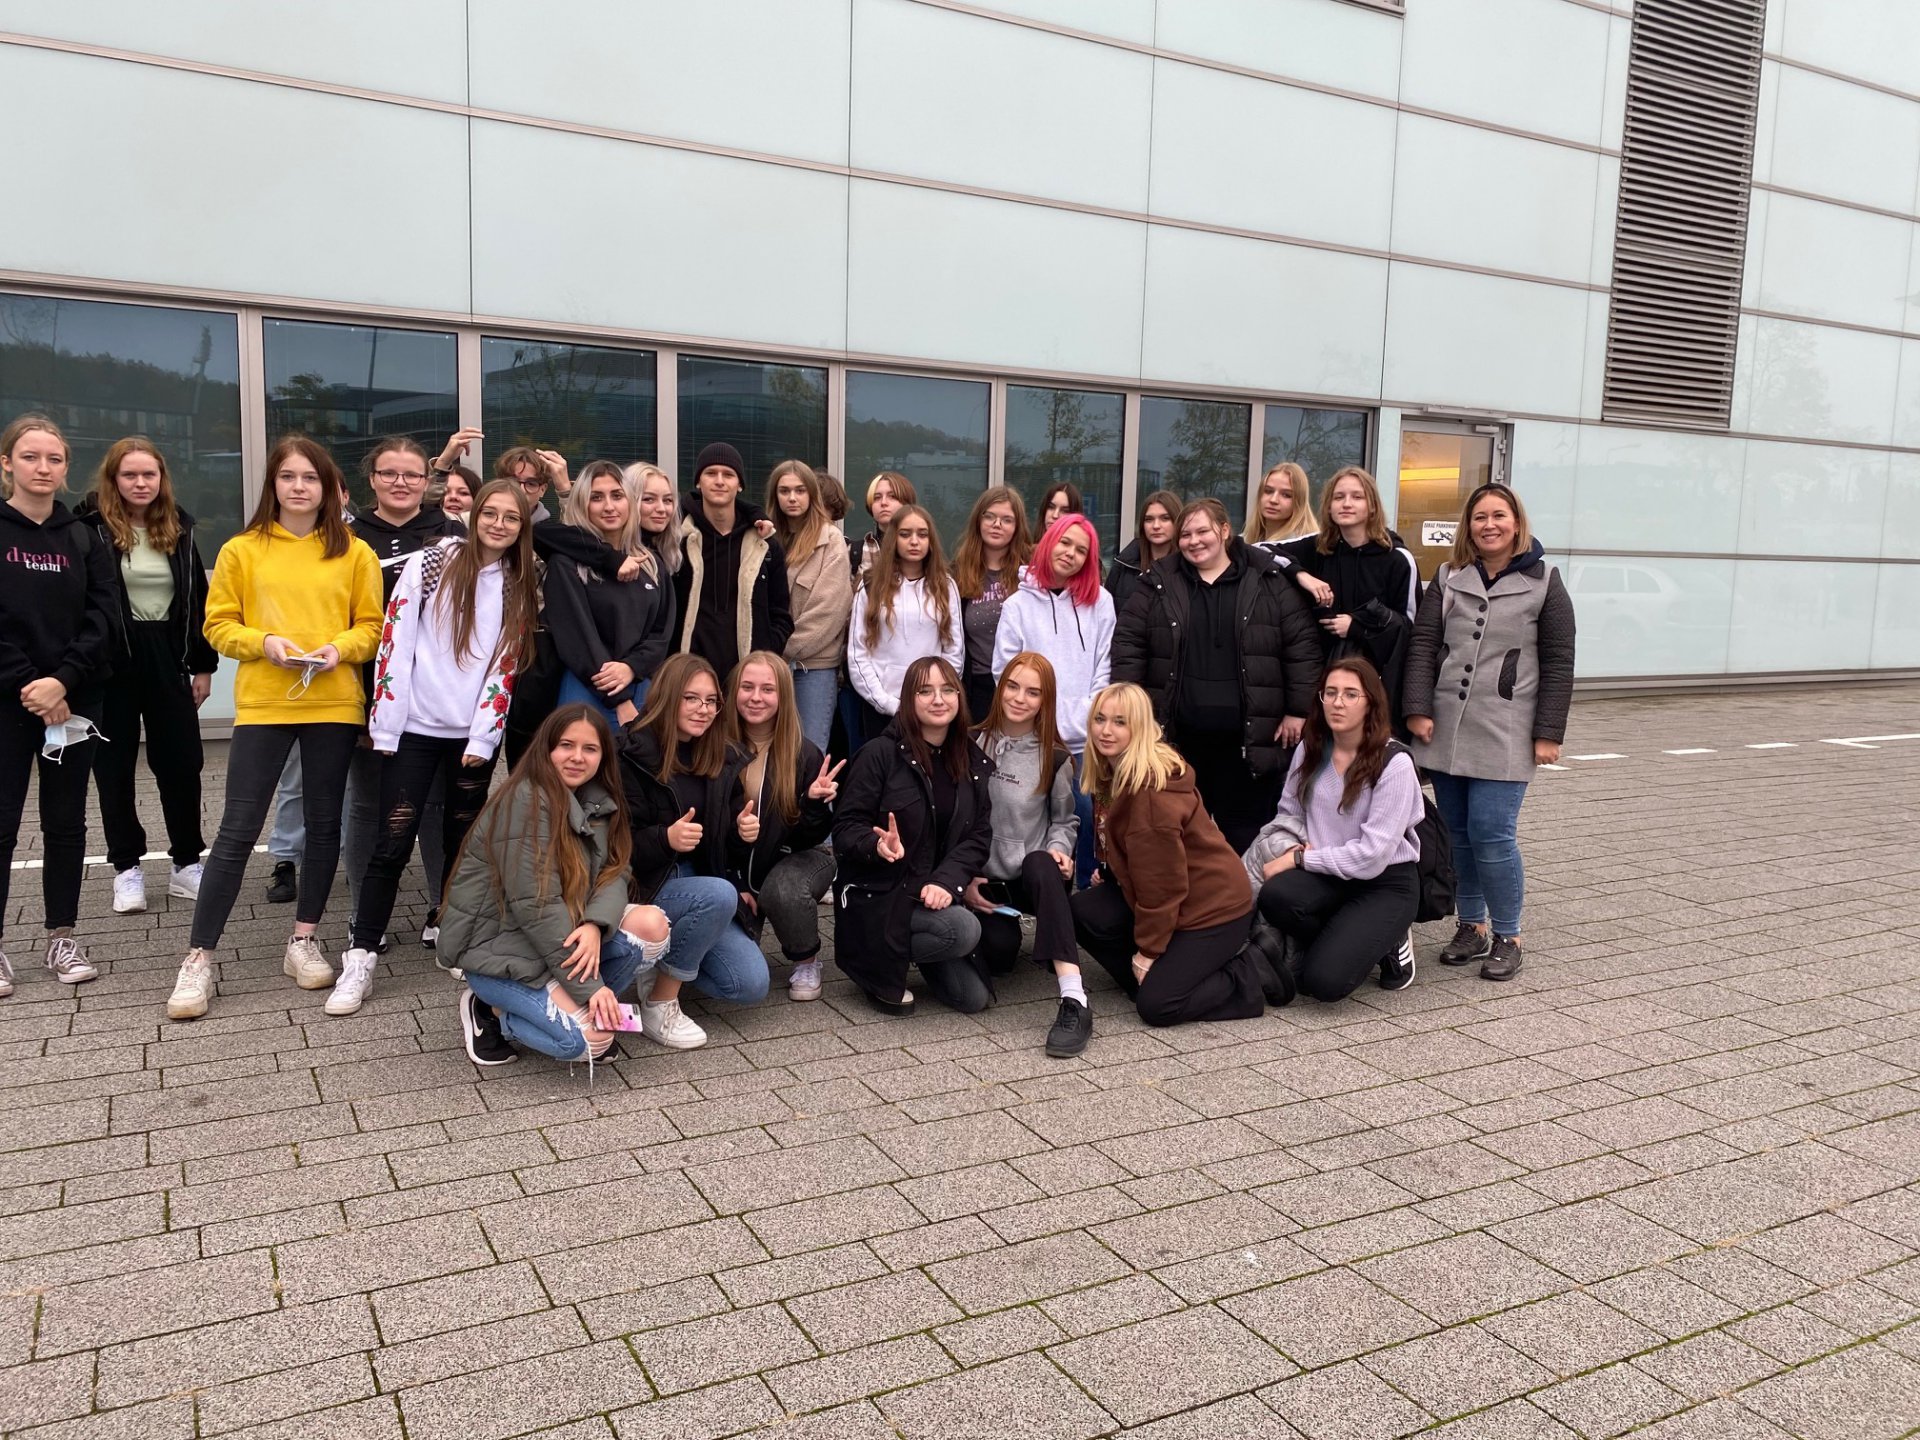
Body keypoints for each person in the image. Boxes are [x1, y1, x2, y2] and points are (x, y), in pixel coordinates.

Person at [167, 436, 383, 1021]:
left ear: (329, 488)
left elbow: (371, 627)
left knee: (323, 826)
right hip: (265, 702)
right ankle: (199, 957)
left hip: (333, 702)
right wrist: (263, 643)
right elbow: (218, 625)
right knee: (238, 830)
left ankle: (303, 939)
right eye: (288, 476)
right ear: (273, 484)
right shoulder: (242, 549)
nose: (299, 487)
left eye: (311, 477)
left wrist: (338, 649)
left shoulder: (355, 552)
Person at [329, 480, 541, 1015]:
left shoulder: (519, 581)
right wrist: (386, 725)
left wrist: (484, 736)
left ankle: (453, 933)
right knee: (392, 841)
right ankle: (361, 954)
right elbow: (394, 644)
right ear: (473, 514)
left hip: (471, 736)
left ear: (522, 527)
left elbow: (506, 666)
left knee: (461, 843)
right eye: (490, 513)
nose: (498, 524)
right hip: (415, 730)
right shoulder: (431, 563)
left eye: (511, 518)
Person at [1404, 483, 1574, 983]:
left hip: (1507, 729)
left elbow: (1560, 661)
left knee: (1492, 833)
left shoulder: (1545, 582)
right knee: (1458, 835)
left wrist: (1548, 732)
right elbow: (1424, 644)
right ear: (1469, 526)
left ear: (1516, 523)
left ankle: (1508, 935)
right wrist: (1417, 708)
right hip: (1446, 727)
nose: (1489, 525)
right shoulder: (1448, 577)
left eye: (1499, 515)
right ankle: (1471, 926)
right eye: (1480, 517)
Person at [439, 705, 672, 1069]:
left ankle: (572, 1000)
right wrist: (592, 989)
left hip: (555, 939)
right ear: (546, 749)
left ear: (603, 756)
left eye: (590, 748)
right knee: (590, 1043)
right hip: (500, 951)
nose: (577, 757)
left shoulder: (597, 798)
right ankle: (490, 1009)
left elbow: (616, 870)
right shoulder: (525, 800)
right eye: (566, 745)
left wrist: (595, 924)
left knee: (652, 926)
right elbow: (538, 908)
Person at [1111, 498, 1322, 852]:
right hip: (1176, 742)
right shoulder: (1158, 583)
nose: (1194, 541)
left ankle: (1243, 890)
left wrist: (1298, 710)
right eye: (1185, 535)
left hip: (1248, 744)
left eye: (1202, 531)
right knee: (1176, 841)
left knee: (1247, 840)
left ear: (1224, 531)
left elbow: (1301, 647)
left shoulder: (1268, 581)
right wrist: (1130, 715)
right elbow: (1128, 645)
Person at [1071, 683, 1287, 1027]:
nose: (1106, 731)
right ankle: (1161, 978)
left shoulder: (1149, 794)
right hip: (1181, 899)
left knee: (1158, 1007)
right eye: (1100, 719)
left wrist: (1149, 951)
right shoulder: (1115, 771)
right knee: (1082, 910)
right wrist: (1114, 873)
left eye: (1120, 722)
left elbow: (1162, 885)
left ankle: (1252, 972)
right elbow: (1141, 854)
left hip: (1213, 909)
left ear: (1139, 728)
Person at [0, 414, 117, 993]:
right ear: (7, 463)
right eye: (30, 457)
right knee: (2, 825)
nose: (42, 468)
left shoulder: (85, 537)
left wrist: (62, 682)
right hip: (8, 701)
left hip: (74, 702)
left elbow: (103, 617)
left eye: (54, 459)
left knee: (66, 823)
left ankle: (61, 936)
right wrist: (32, 685)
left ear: (66, 468)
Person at [78, 436, 217, 916]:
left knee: (182, 764)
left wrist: (204, 665)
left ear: (161, 479)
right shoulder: (89, 529)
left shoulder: (179, 528)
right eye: (130, 474)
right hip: (111, 662)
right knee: (113, 769)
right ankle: (126, 869)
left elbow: (198, 600)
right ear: (113, 479)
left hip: (167, 658)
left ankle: (186, 864)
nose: (140, 482)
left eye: (149, 474)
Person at [340, 437, 461, 942]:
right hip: (366, 691)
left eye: (412, 474)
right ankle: (364, 916)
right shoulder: (345, 535)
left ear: (427, 480)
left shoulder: (451, 534)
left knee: (434, 807)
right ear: (372, 479)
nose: (401, 482)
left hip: (434, 699)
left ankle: (442, 911)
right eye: (389, 473)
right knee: (368, 806)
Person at [619, 653, 771, 1049]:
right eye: (691, 698)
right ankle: (660, 1002)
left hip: (701, 885)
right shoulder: (629, 754)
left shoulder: (720, 754)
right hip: (645, 887)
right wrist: (664, 839)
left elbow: (725, 847)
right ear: (668, 697)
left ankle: (660, 957)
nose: (703, 709)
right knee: (717, 894)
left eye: (711, 701)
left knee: (748, 984)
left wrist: (740, 833)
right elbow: (610, 846)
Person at [1254, 658, 1423, 1002]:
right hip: (1328, 872)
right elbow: (1289, 813)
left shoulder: (1395, 763)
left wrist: (1299, 860)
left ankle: (1390, 937)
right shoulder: (1310, 748)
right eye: (1330, 693)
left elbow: (1372, 856)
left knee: (1323, 984)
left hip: (1383, 880)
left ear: (1370, 703)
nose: (1337, 702)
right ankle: (1345, 934)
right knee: (1275, 897)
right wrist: (1286, 848)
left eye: (1350, 694)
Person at [832, 656, 993, 1016]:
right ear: (908, 699)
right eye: (925, 691)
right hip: (883, 893)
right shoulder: (879, 754)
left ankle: (907, 954)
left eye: (947, 690)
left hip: (931, 893)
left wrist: (946, 881)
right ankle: (872, 960)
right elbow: (845, 827)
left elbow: (979, 835)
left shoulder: (969, 757)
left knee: (973, 999)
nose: (938, 699)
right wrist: (876, 845)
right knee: (963, 929)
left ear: (959, 696)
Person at [969, 654, 1087, 1056]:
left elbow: (1065, 821)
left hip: (1032, 878)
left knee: (1042, 861)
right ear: (1000, 687)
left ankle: (1074, 997)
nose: (1020, 698)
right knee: (999, 958)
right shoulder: (968, 742)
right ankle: (1010, 936)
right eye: (1013, 686)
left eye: (1033, 692)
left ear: (1045, 700)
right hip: (983, 884)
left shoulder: (1055, 757)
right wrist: (963, 878)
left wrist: (1059, 850)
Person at [726, 652, 842, 1001]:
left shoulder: (804, 753)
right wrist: (734, 883)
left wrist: (813, 803)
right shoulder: (714, 747)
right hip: (737, 867)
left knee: (783, 889)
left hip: (798, 857)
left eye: (768, 689)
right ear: (733, 691)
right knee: (740, 977)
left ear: (784, 696)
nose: (756, 697)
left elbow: (811, 836)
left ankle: (806, 960)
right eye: (747, 687)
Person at [546, 460, 675, 729]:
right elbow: (577, 639)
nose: (609, 506)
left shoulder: (651, 563)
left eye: (617, 495)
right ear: (582, 504)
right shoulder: (566, 564)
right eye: (596, 498)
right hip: (588, 687)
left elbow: (661, 633)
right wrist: (618, 698)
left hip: (640, 683)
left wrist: (630, 668)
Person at [1287, 467, 1419, 724]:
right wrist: (1301, 574)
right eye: (1339, 497)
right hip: (1324, 690)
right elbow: (1259, 551)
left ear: (1372, 506)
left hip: (1378, 693)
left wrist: (1357, 627)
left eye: (1357, 497)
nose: (1346, 504)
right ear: (1328, 507)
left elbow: (1409, 630)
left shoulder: (1398, 559)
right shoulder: (1319, 548)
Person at [675, 442, 793, 683]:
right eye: (711, 473)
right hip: (688, 676)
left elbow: (781, 615)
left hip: (747, 679)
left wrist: (765, 654)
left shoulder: (765, 545)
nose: (719, 481)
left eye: (728, 474)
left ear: (739, 485)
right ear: (698, 482)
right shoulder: (678, 541)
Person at [847, 504, 963, 748]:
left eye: (922, 534)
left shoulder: (945, 585)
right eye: (905, 534)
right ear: (893, 539)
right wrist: (886, 703)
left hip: (932, 709)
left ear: (931, 540)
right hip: (882, 710)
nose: (914, 541)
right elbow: (858, 654)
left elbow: (954, 651)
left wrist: (938, 697)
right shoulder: (870, 585)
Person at [766, 459, 851, 752]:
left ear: (812, 494)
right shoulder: (764, 539)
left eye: (800, 490)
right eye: (785, 491)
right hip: (767, 668)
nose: (792, 498)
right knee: (767, 752)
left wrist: (776, 649)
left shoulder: (830, 540)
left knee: (808, 755)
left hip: (811, 669)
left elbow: (828, 612)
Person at [953, 487, 1033, 720]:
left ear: (1017, 526)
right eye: (990, 517)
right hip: (978, 688)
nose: (997, 524)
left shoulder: (1031, 572)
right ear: (978, 520)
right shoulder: (957, 574)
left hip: (1024, 687)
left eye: (1007, 520)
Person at [1106, 488, 1179, 616]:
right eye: (1149, 519)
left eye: (1165, 518)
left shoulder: (1188, 568)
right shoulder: (1123, 566)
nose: (1156, 526)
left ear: (1177, 521)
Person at [851, 471, 916, 585]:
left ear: (907, 503)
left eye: (892, 496)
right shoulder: (855, 552)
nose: (884, 503)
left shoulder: (919, 548)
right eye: (877, 497)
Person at [1246, 462, 1317, 549]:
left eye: (1286, 495)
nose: (1273, 500)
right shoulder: (1245, 540)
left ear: (1299, 502)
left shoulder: (1302, 547)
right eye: (1268, 491)